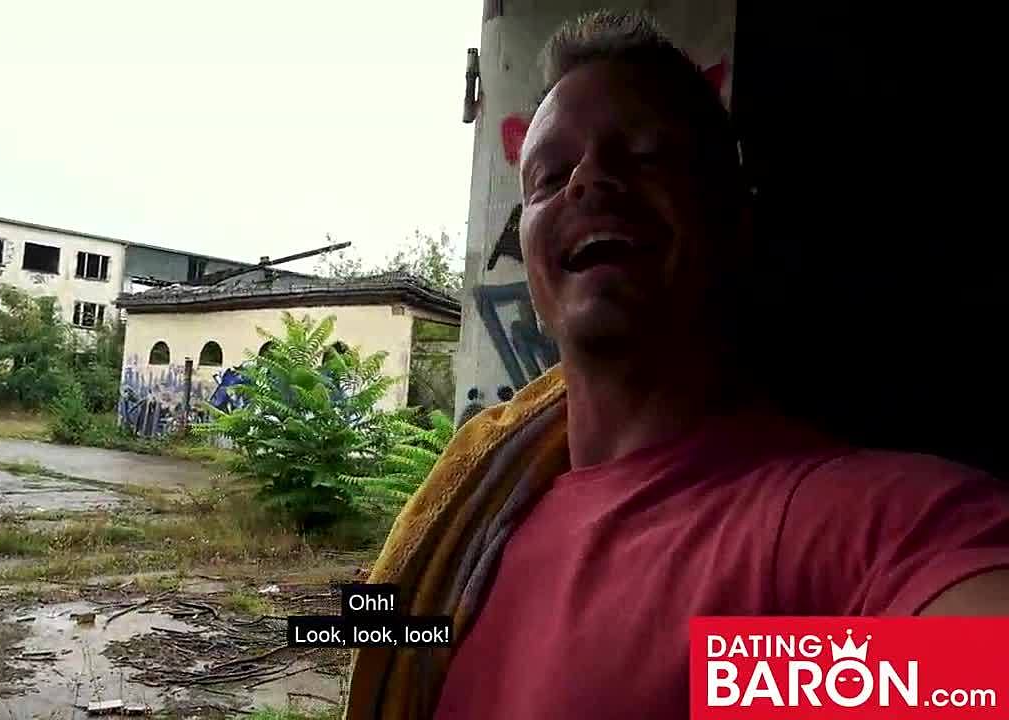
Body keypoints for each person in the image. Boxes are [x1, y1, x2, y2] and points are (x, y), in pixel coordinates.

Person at [344, 10, 1009, 719]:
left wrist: (738, 678)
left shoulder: (866, 525)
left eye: (646, 154)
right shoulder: (475, 536)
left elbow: (976, 672)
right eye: (549, 175)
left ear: (735, 221)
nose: (587, 180)